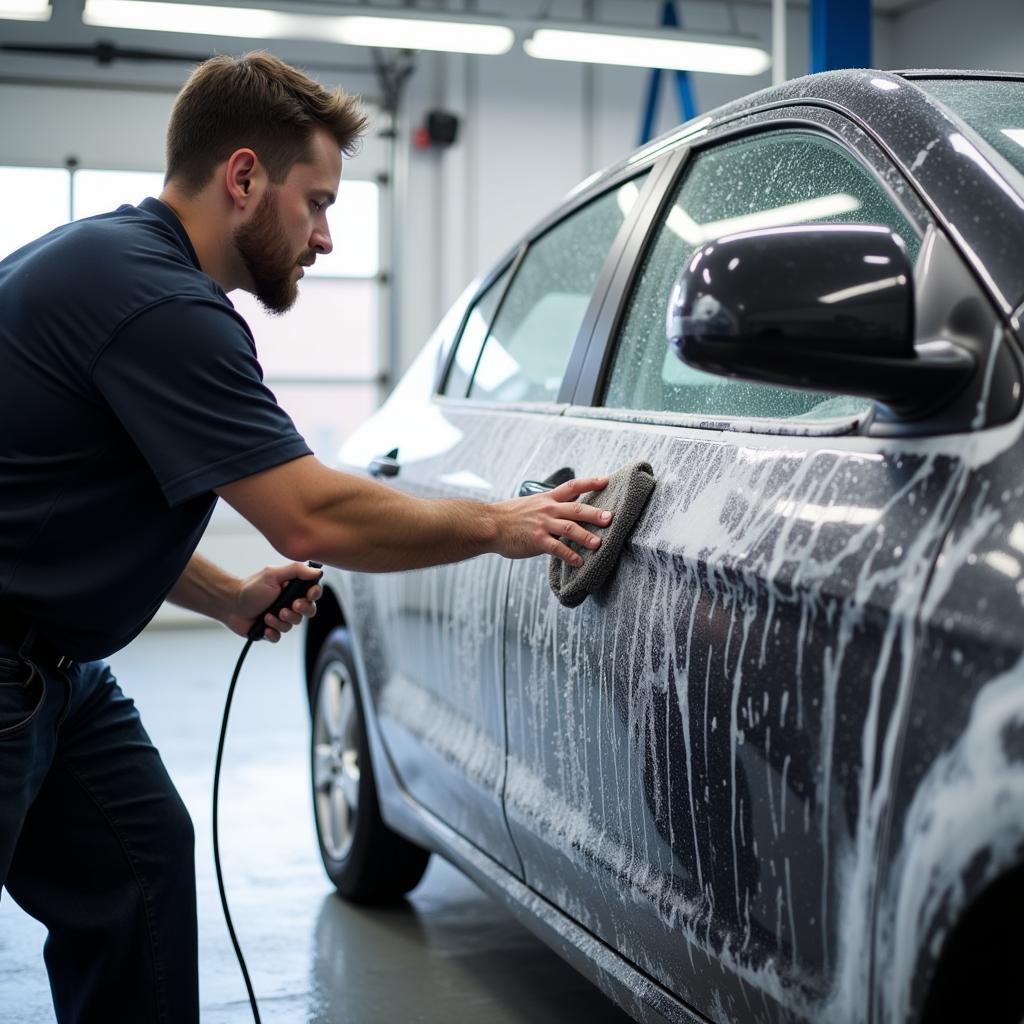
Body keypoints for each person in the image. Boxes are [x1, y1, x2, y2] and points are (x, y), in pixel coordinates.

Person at [0, 51, 611, 1023]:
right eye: (316, 203)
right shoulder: (164, 306)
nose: (325, 237)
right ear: (243, 177)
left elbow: (57, 512)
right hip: (13, 662)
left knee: (138, 859)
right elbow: (311, 513)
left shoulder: (111, 264)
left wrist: (228, 596)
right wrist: (502, 523)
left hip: (53, 662)